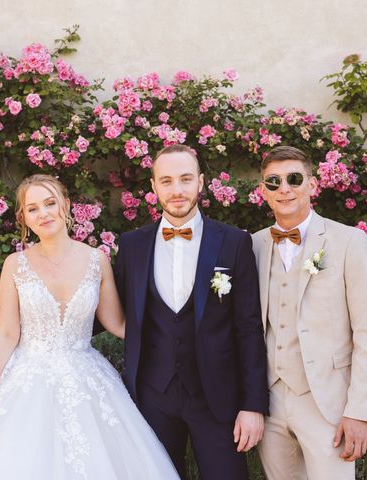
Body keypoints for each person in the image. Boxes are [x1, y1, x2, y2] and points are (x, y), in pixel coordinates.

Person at [0, 174, 179, 479]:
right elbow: (7, 332)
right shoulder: (15, 264)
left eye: (50, 203)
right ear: (23, 218)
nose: (43, 213)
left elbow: (117, 323)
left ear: (66, 205)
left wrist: (172, 328)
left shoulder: (97, 260)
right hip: (25, 377)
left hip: (87, 380)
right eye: (33, 208)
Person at [114, 144, 269, 479]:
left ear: (201, 182)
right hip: (152, 397)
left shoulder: (234, 242)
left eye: (185, 179)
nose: (177, 190)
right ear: (153, 187)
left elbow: (249, 328)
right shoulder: (132, 246)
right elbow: (109, 312)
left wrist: (253, 405)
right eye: (166, 181)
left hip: (218, 399)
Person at [252, 145, 367, 479]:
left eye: (294, 178)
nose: (284, 188)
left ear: (312, 185)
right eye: (273, 182)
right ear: (263, 192)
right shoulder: (252, 246)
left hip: (328, 403)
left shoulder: (349, 242)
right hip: (269, 401)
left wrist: (360, 412)